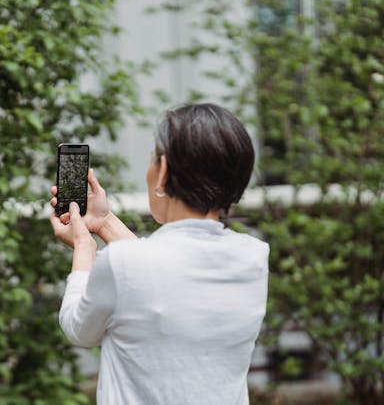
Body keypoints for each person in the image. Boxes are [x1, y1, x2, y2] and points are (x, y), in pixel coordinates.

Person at [50, 103, 269, 405]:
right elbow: (166, 274)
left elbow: (79, 329)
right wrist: (104, 222)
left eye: (153, 159)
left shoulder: (125, 264)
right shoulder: (254, 258)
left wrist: (84, 248)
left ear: (163, 171)